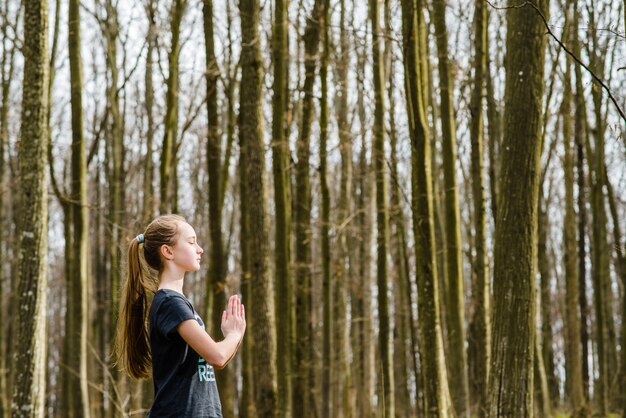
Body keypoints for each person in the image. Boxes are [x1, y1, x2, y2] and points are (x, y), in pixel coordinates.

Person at [114, 214, 245, 417]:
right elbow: (217, 357)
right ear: (168, 251)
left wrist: (233, 336)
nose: (200, 249)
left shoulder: (178, 303)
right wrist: (234, 335)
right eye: (192, 242)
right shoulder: (170, 303)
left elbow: (217, 360)